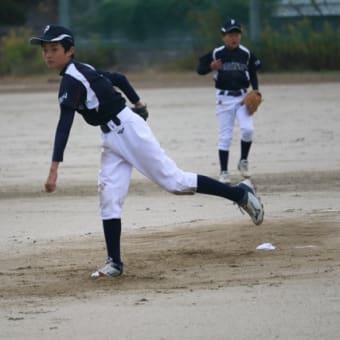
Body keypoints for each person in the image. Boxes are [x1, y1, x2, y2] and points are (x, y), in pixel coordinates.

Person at [30, 24, 264, 278]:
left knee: (175, 182)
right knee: (109, 196)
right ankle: (115, 263)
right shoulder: (81, 71)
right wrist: (138, 103)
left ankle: (240, 194)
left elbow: (64, 124)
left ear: (70, 51)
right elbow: (119, 78)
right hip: (112, 138)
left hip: (129, 132)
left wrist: (54, 168)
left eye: (54, 48)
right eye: (45, 49)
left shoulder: (73, 78)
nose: (48, 54)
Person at [197, 18, 261, 184]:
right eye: (230, 34)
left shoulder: (246, 53)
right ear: (223, 36)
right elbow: (200, 69)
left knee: (248, 130)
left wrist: (255, 89)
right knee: (225, 136)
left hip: (242, 98)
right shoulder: (217, 53)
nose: (234, 38)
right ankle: (224, 171)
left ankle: (243, 161)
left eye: (237, 34)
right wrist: (211, 66)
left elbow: (253, 70)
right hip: (224, 99)